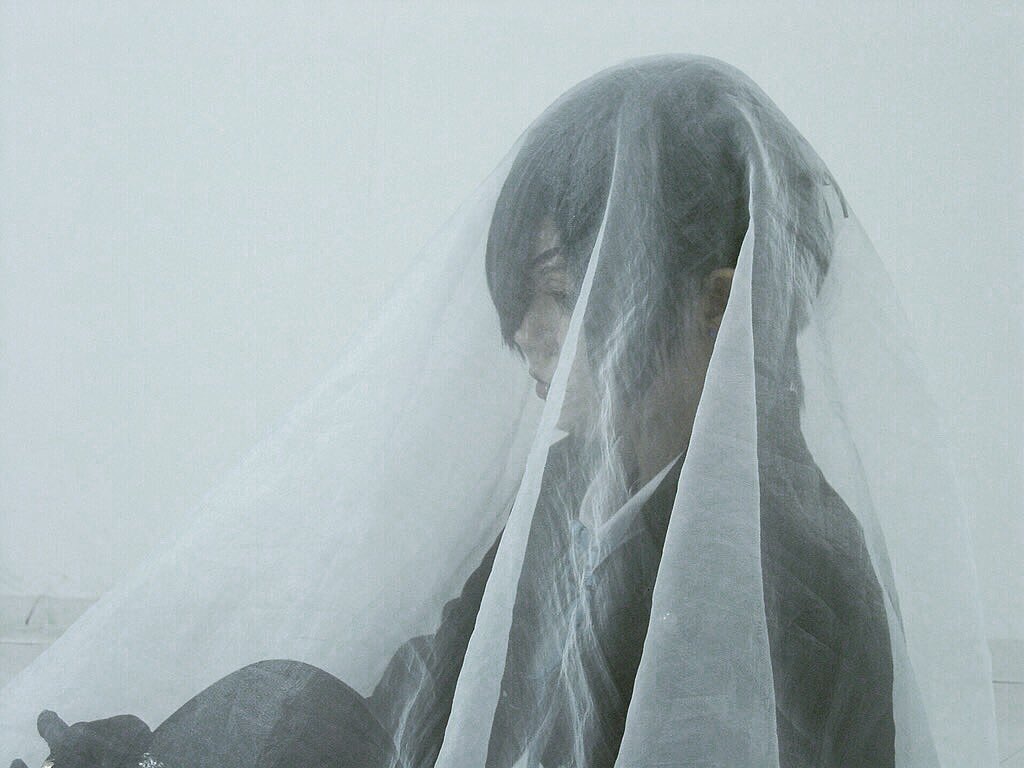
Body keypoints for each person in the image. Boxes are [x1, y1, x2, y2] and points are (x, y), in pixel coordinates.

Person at [4, 56, 997, 768]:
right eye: (524, 297)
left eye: (563, 295)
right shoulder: (572, 485)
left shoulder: (784, 573)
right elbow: (423, 696)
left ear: (716, 306)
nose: (523, 333)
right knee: (278, 704)